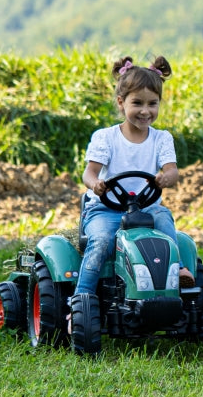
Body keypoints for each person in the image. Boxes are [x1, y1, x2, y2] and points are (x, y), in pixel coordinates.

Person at [74, 54, 194, 297]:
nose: (145, 111)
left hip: (146, 208)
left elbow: (172, 170)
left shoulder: (162, 138)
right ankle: (82, 296)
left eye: (152, 104)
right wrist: (95, 184)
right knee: (101, 242)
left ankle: (178, 271)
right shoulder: (105, 137)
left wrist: (167, 177)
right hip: (106, 208)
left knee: (163, 218)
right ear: (121, 102)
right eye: (137, 103)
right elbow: (90, 172)